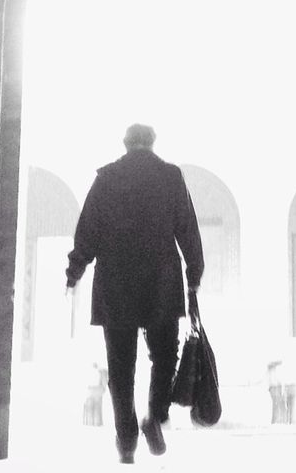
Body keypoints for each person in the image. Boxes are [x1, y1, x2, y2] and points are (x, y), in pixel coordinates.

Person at [66, 124, 204, 464]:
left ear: (125, 145)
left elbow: (88, 231)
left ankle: (125, 439)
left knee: (120, 365)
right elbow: (187, 227)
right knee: (164, 354)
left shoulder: (107, 178)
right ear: (153, 144)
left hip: (116, 282)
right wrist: (193, 274)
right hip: (160, 280)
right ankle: (154, 416)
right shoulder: (171, 177)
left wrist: (75, 270)